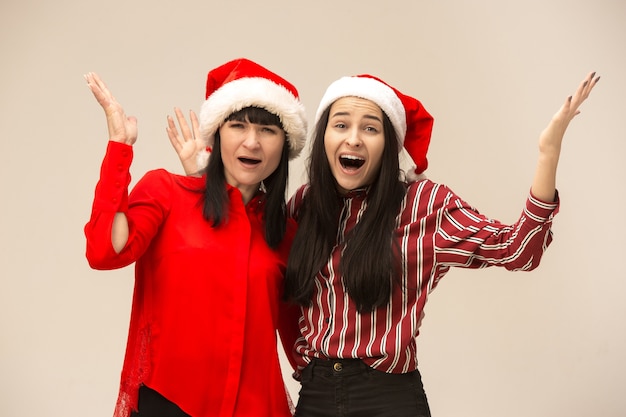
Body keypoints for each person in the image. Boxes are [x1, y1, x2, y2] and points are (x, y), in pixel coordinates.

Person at [281, 72, 599, 416]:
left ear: (389, 144)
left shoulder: (424, 205)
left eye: (370, 128)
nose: (354, 139)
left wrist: (547, 154)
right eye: (340, 125)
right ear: (323, 135)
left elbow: (519, 250)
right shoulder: (304, 205)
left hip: (387, 398)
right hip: (316, 397)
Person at [84, 58, 307, 417]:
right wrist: (119, 148)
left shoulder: (286, 234)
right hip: (169, 403)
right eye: (238, 125)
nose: (252, 142)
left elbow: (300, 338)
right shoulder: (167, 192)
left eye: (268, 130)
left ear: (286, 144)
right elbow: (105, 252)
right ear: (217, 134)